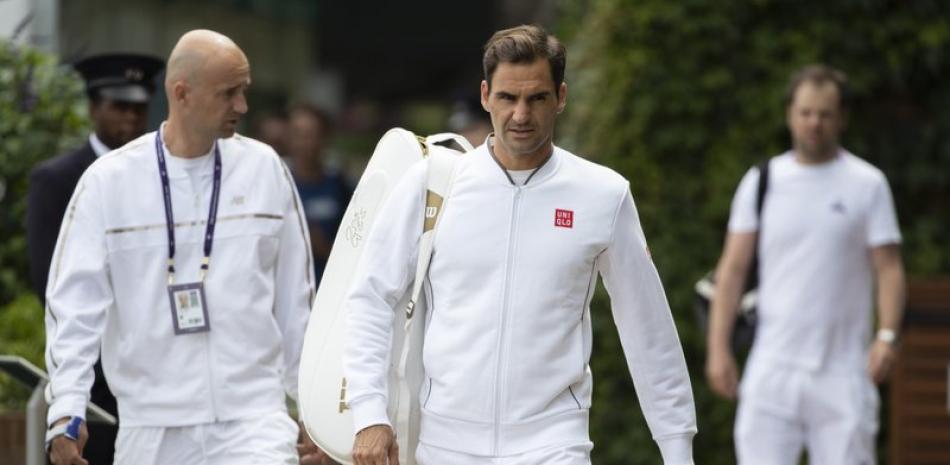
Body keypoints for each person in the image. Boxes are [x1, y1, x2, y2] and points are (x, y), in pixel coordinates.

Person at [344, 25, 696, 465]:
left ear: (561, 97)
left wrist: (677, 448)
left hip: (554, 444)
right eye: (508, 98)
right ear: (486, 95)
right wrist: (369, 415)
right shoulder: (433, 184)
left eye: (537, 98)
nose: (521, 115)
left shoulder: (603, 194)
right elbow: (371, 296)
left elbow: (647, 326)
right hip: (445, 444)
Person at [43, 29, 318, 465]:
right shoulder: (108, 181)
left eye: (243, 91)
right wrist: (65, 412)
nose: (242, 107)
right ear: (181, 93)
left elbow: (296, 303)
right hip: (149, 427)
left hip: (253, 420)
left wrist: (314, 408)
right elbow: (75, 307)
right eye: (229, 93)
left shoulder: (265, 168)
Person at [705, 64, 906, 464]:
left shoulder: (867, 184)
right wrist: (718, 348)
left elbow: (889, 268)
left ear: (841, 118)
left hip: (844, 370)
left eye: (825, 114)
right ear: (790, 115)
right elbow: (732, 270)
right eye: (806, 112)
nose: (814, 123)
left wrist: (886, 336)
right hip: (772, 367)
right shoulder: (762, 181)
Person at [27, 52, 164, 465]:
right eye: (119, 106)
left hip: (159, 374)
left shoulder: (159, 174)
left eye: (139, 108)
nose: (131, 119)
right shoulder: (58, 178)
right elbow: (51, 285)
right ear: (93, 108)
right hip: (96, 380)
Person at [286, 103, 353, 283]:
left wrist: (323, 248)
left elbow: (356, 246)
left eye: (310, 135)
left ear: (325, 138)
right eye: (297, 135)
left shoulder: (339, 184)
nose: (303, 143)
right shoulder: (278, 184)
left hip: (329, 288)